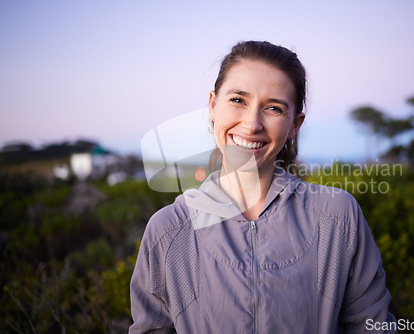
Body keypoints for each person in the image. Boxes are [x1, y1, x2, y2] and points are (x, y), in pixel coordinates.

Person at [130, 41, 395, 333]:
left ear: (295, 124)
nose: (252, 124)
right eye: (238, 100)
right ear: (213, 105)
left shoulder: (338, 217)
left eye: (273, 108)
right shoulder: (168, 231)